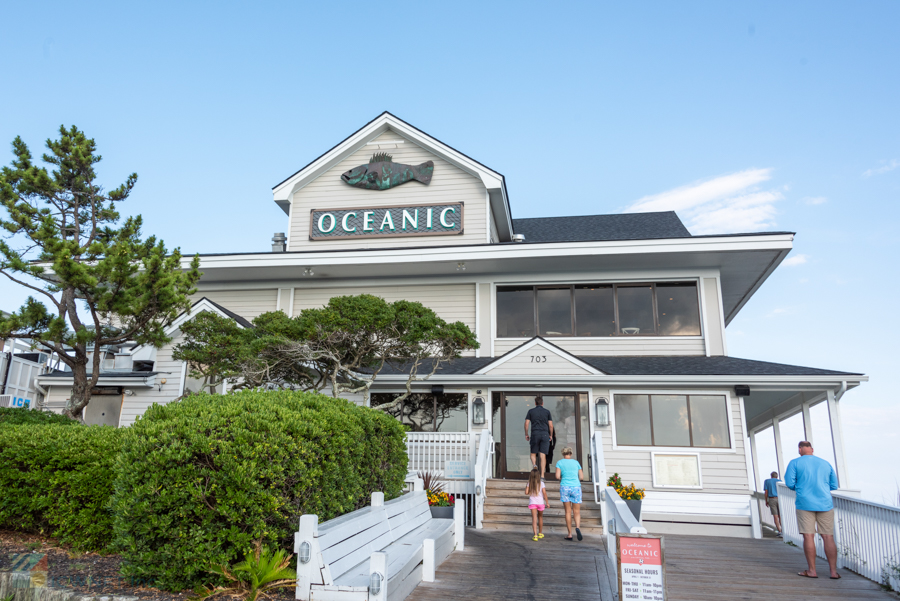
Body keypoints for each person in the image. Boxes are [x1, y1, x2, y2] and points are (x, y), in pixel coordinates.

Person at [784, 441, 840, 580]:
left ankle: (812, 571)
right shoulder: (825, 463)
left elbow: (790, 483)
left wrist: (801, 487)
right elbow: (834, 485)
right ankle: (833, 572)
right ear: (812, 449)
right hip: (825, 503)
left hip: (805, 503)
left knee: (809, 536)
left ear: (800, 449)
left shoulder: (795, 463)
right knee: (828, 536)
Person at [555, 446, 584, 541]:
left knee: (568, 511)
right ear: (571, 454)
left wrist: (563, 477)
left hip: (565, 487)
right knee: (577, 512)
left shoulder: (559, 463)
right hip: (576, 487)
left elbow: (557, 476)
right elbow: (582, 477)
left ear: (563, 454)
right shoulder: (576, 463)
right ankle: (578, 527)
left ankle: (570, 534)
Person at [524, 396, 554, 475]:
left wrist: (526, 434)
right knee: (542, 454)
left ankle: (534, 466)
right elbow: (551, 425)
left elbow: (526, 424)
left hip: (535, 434)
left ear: (535, 403)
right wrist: (550, 435)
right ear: (542, 403)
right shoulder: (547, 412)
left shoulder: (531, 411)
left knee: (533, 453)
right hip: (544, 434)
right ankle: (542, 475)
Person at [525, 467, 550, 541]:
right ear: (539, 475)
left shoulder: (529, 483)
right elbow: (544, 493)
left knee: (534, 519)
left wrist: (527, 487)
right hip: (540, 503)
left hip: (533, 503)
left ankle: (535, 535)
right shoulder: (542, 483)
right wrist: (547, 503)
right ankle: (540, 533)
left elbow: (526, 492)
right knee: (540, 517)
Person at [762, 471, 783, 537]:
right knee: (780, 516)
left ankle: (779, 531)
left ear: (771, 476)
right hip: (779, 499)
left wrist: (766, 500)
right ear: (777, 476)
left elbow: (766, 492)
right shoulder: (780, 481)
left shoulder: (767, 481)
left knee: (775, 516)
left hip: (772, 499)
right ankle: (783, 531)